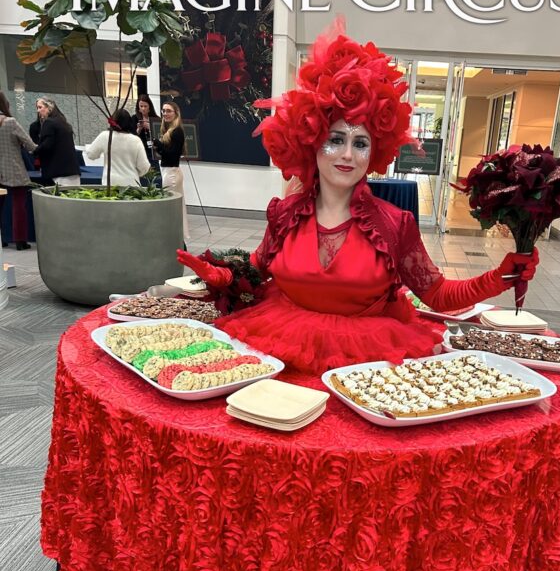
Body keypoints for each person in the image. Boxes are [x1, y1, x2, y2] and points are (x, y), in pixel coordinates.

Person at [178, 28, 538, 376]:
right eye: (335, 139)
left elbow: (438, 294)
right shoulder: (285, 214)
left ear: (375, 150)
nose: (347, 154)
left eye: (360, 142)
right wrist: (219, 274)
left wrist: (502, 275)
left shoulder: (395, 225)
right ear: (312, 140)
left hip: (366, 366)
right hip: (279, 353)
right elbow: (257, 271)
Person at [0, 91, 37, 250]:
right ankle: (20, 241)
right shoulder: (11, 122)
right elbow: (30, 145)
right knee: (18, 205)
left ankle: (2, 240)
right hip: (13, 168)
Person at [153, 101, 189, 240]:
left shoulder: (177, 131)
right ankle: (175, 237)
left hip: (172, 173)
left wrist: (159, 146)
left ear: (175, 113)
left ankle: (175, 238)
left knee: (172, 207)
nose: (165, 114)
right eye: (163, 111)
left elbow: (172, 154)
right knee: (174, 206)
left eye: (168, 111)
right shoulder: (168, 130)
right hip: (168, 171)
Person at [85, 109, 150, 186]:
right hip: (131, 183)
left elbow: (91, 154)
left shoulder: (105, 136)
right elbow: (144, 167)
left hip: (110, 183)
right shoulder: (136, 140)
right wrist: (134, 172)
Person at [32, 97, 80, 186]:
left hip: (57, 173)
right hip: (72, 171)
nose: (38, 111)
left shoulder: (49, 123)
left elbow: (46, 146)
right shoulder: (64, 123)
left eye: (40, 107)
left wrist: (33, 150)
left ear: (49, 107)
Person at [131, 93, 159, 163]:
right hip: (141, 152)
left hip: (154, 152)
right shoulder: (134, 119)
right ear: (138, 107)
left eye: (145, 106)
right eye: (141, 106)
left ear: (149, 107)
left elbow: (161, 135)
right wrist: (139, 129)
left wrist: (150, 128)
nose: (143, 108)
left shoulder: (156, 119)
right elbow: (131, 138)